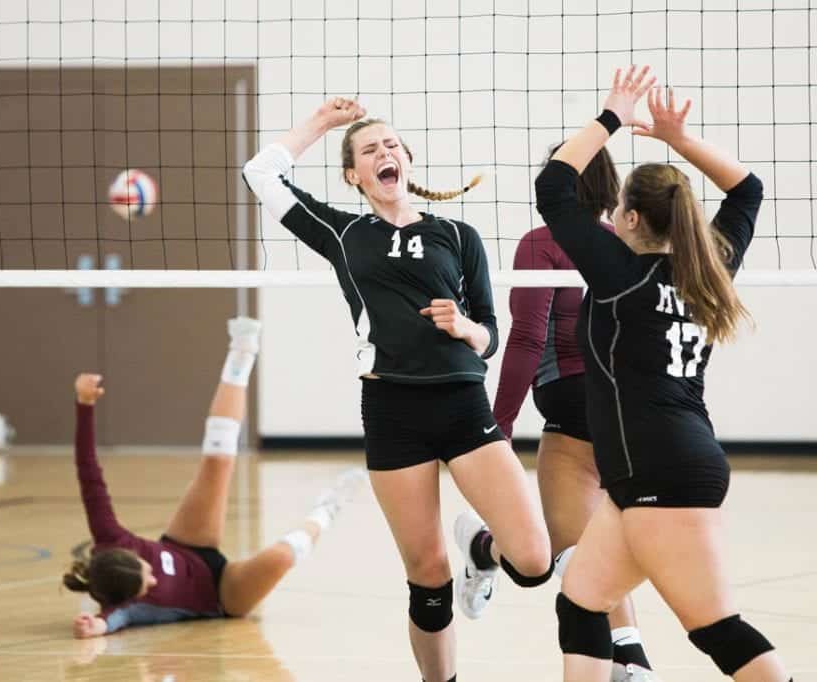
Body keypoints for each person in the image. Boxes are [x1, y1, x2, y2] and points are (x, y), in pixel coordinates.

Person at [243, 98, 552, 682]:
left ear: (407, 161)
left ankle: (480, 550)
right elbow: (260, 173)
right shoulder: (341, 232)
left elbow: (490, 335)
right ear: (353, 175)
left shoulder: (458, 236)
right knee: (427, 574)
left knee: (534, 562)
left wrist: (466, 328)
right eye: (368, 150)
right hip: (393, 410)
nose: (384, 153)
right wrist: (324, 123)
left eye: (391, 145)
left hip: (462, 404)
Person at [535, 65, 792, 682]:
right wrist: (679, 142)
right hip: (656, 468)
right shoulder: (710, 268)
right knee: (581, 604)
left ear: (626, 220)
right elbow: (748, 191)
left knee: (715, 629)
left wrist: (612, 117)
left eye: (620, 207)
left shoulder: (620, 276)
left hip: (663, 471)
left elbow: (553, 186)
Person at [64, 317, 362, 637]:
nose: (153, 582)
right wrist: (95, 626)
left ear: (127, 554)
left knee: (217, 462)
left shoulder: (109, 534)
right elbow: (112, 620)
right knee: (280, 557)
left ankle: (242, 350)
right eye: (145, 587)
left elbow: (88, 472)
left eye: (146, 573)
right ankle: (327, 509)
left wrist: (84, 405)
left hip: (187, 545)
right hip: (222, 595)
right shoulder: (126, 607)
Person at [493, 147, 658, 681]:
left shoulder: (544, 242)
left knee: (562, 556)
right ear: (611, 190)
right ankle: (632, 656)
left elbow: (525, 337)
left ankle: (482, 546)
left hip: (571, 402)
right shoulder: (627, 247)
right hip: (629, 410)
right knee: (595, 544)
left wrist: (498, 427)